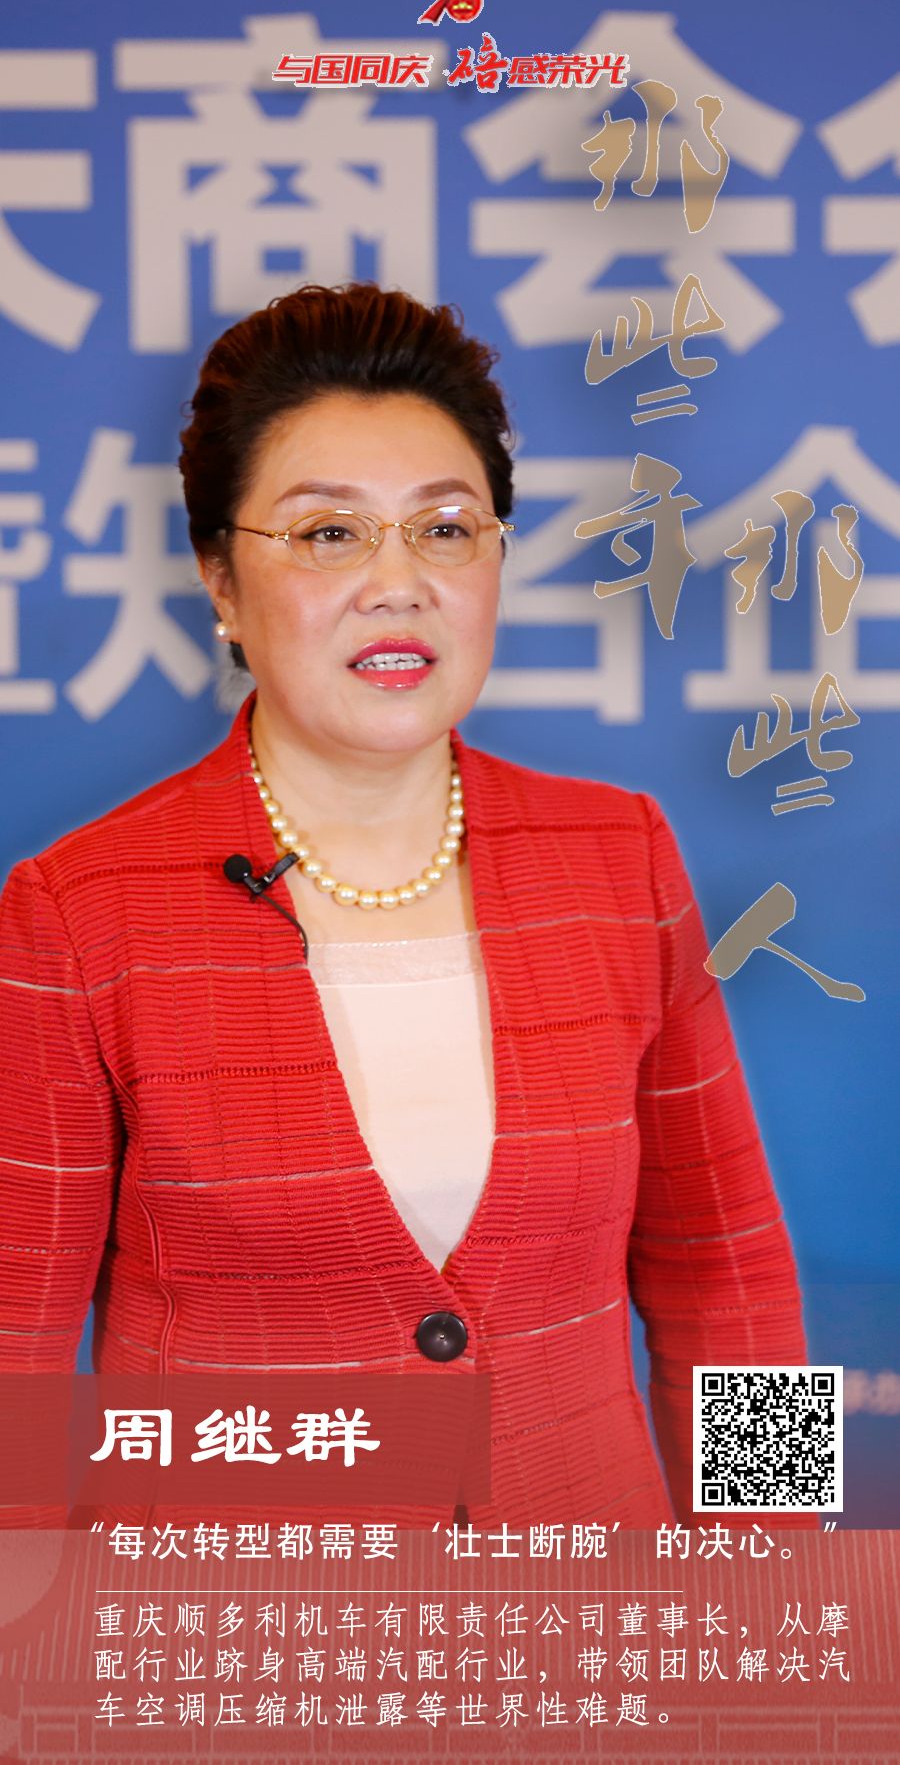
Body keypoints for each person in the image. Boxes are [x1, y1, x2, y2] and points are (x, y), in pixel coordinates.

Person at [0, 282, 816, 1531]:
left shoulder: (621, 860)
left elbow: (728, 1273)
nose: (399, 581)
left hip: (582, 1626)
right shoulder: (79, 910)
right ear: (222, 582)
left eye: (446, 528)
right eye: (329, 533)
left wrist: (768, 1574)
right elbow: (16, 1353)